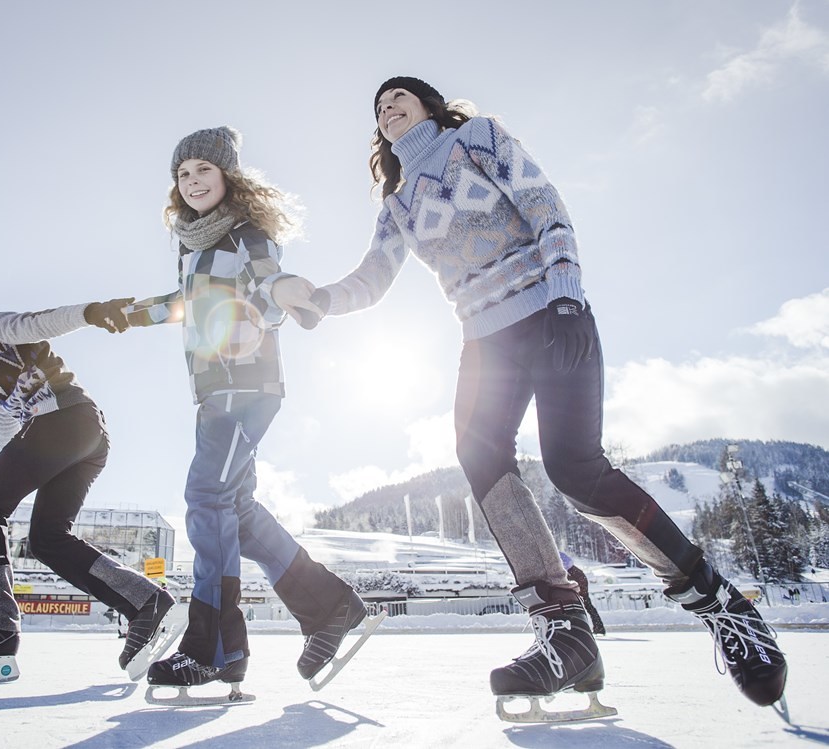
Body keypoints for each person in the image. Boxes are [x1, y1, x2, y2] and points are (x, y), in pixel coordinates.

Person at [276, 76, 787, 715]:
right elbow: (372, 278)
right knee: (478, 455)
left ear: (430, 105)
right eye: (379, 106)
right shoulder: (399, 206)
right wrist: (320, 301)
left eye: (399, 95)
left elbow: (545, 206)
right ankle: (564, 630)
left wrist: (568, 292)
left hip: (550, 313)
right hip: (483, 341)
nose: (389, 106)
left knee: (576, 470)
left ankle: (721, 606)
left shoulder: (478, 139)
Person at [131, 127, 368, 692]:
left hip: (245, 387)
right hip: (215, 391)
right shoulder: (193, 246)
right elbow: (189, 305)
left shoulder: (246, 233)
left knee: (206, 497)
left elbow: (268, 284)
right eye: (183, 174)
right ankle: (328, 606)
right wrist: (128, 312)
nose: (191, 182)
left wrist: (287, 294)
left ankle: (214, 645)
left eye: (203, 171)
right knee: (234, 509)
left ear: (227, 177)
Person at [0, 284, 175, 680]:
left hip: (63, 421)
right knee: (46, 539)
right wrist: (8, 473)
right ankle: (146, 602)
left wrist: (92, 310)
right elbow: (6, 417)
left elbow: (39, 323)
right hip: (82, 433)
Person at [559, 551, 605, 636]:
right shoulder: (557, 554)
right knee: (585, 603)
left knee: (581, 604)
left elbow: (561, 570)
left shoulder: (554, 556)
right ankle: (597, 627)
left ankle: (589, 628)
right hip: (578, 576)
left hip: (576, 577)